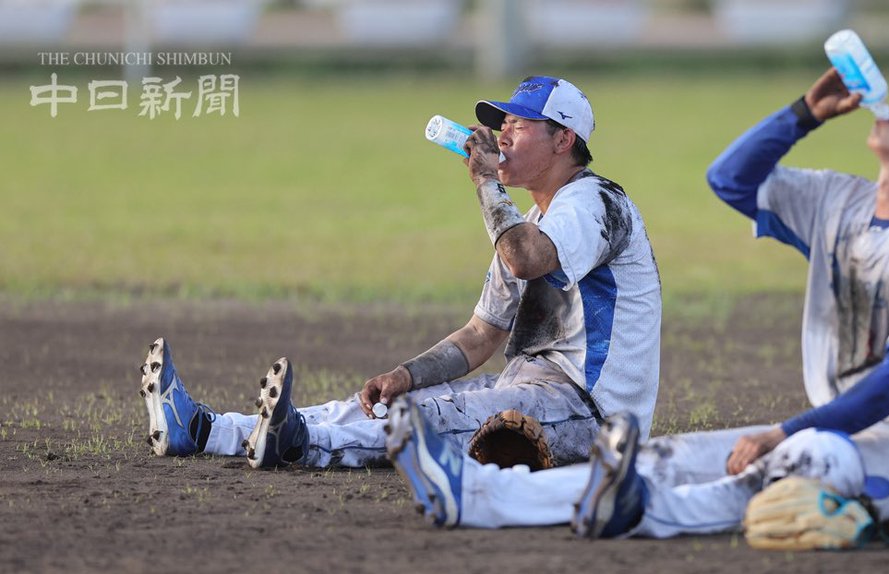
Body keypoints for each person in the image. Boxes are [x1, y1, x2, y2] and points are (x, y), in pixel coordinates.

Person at [387, 67, 889, 543]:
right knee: (656, 458)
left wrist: (786, 430)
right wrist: (806, 113)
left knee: (805, 456)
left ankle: (647, 514)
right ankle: (475, 497)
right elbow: (730, 180)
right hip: (827, 432)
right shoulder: (839, 203)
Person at [137, 76, 662, 472]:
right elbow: (481, 335)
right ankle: (207, 430)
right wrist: (405, 375)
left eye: (518, 127)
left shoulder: (596, 204)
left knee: (425, 424)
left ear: (563, 140)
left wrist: (484, 181)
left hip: (590, 414)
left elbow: (526, 259)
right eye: (501, 125)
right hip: (530, 392)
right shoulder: (529, 221)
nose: (501, 137)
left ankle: (300, 444)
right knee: (395, 404)